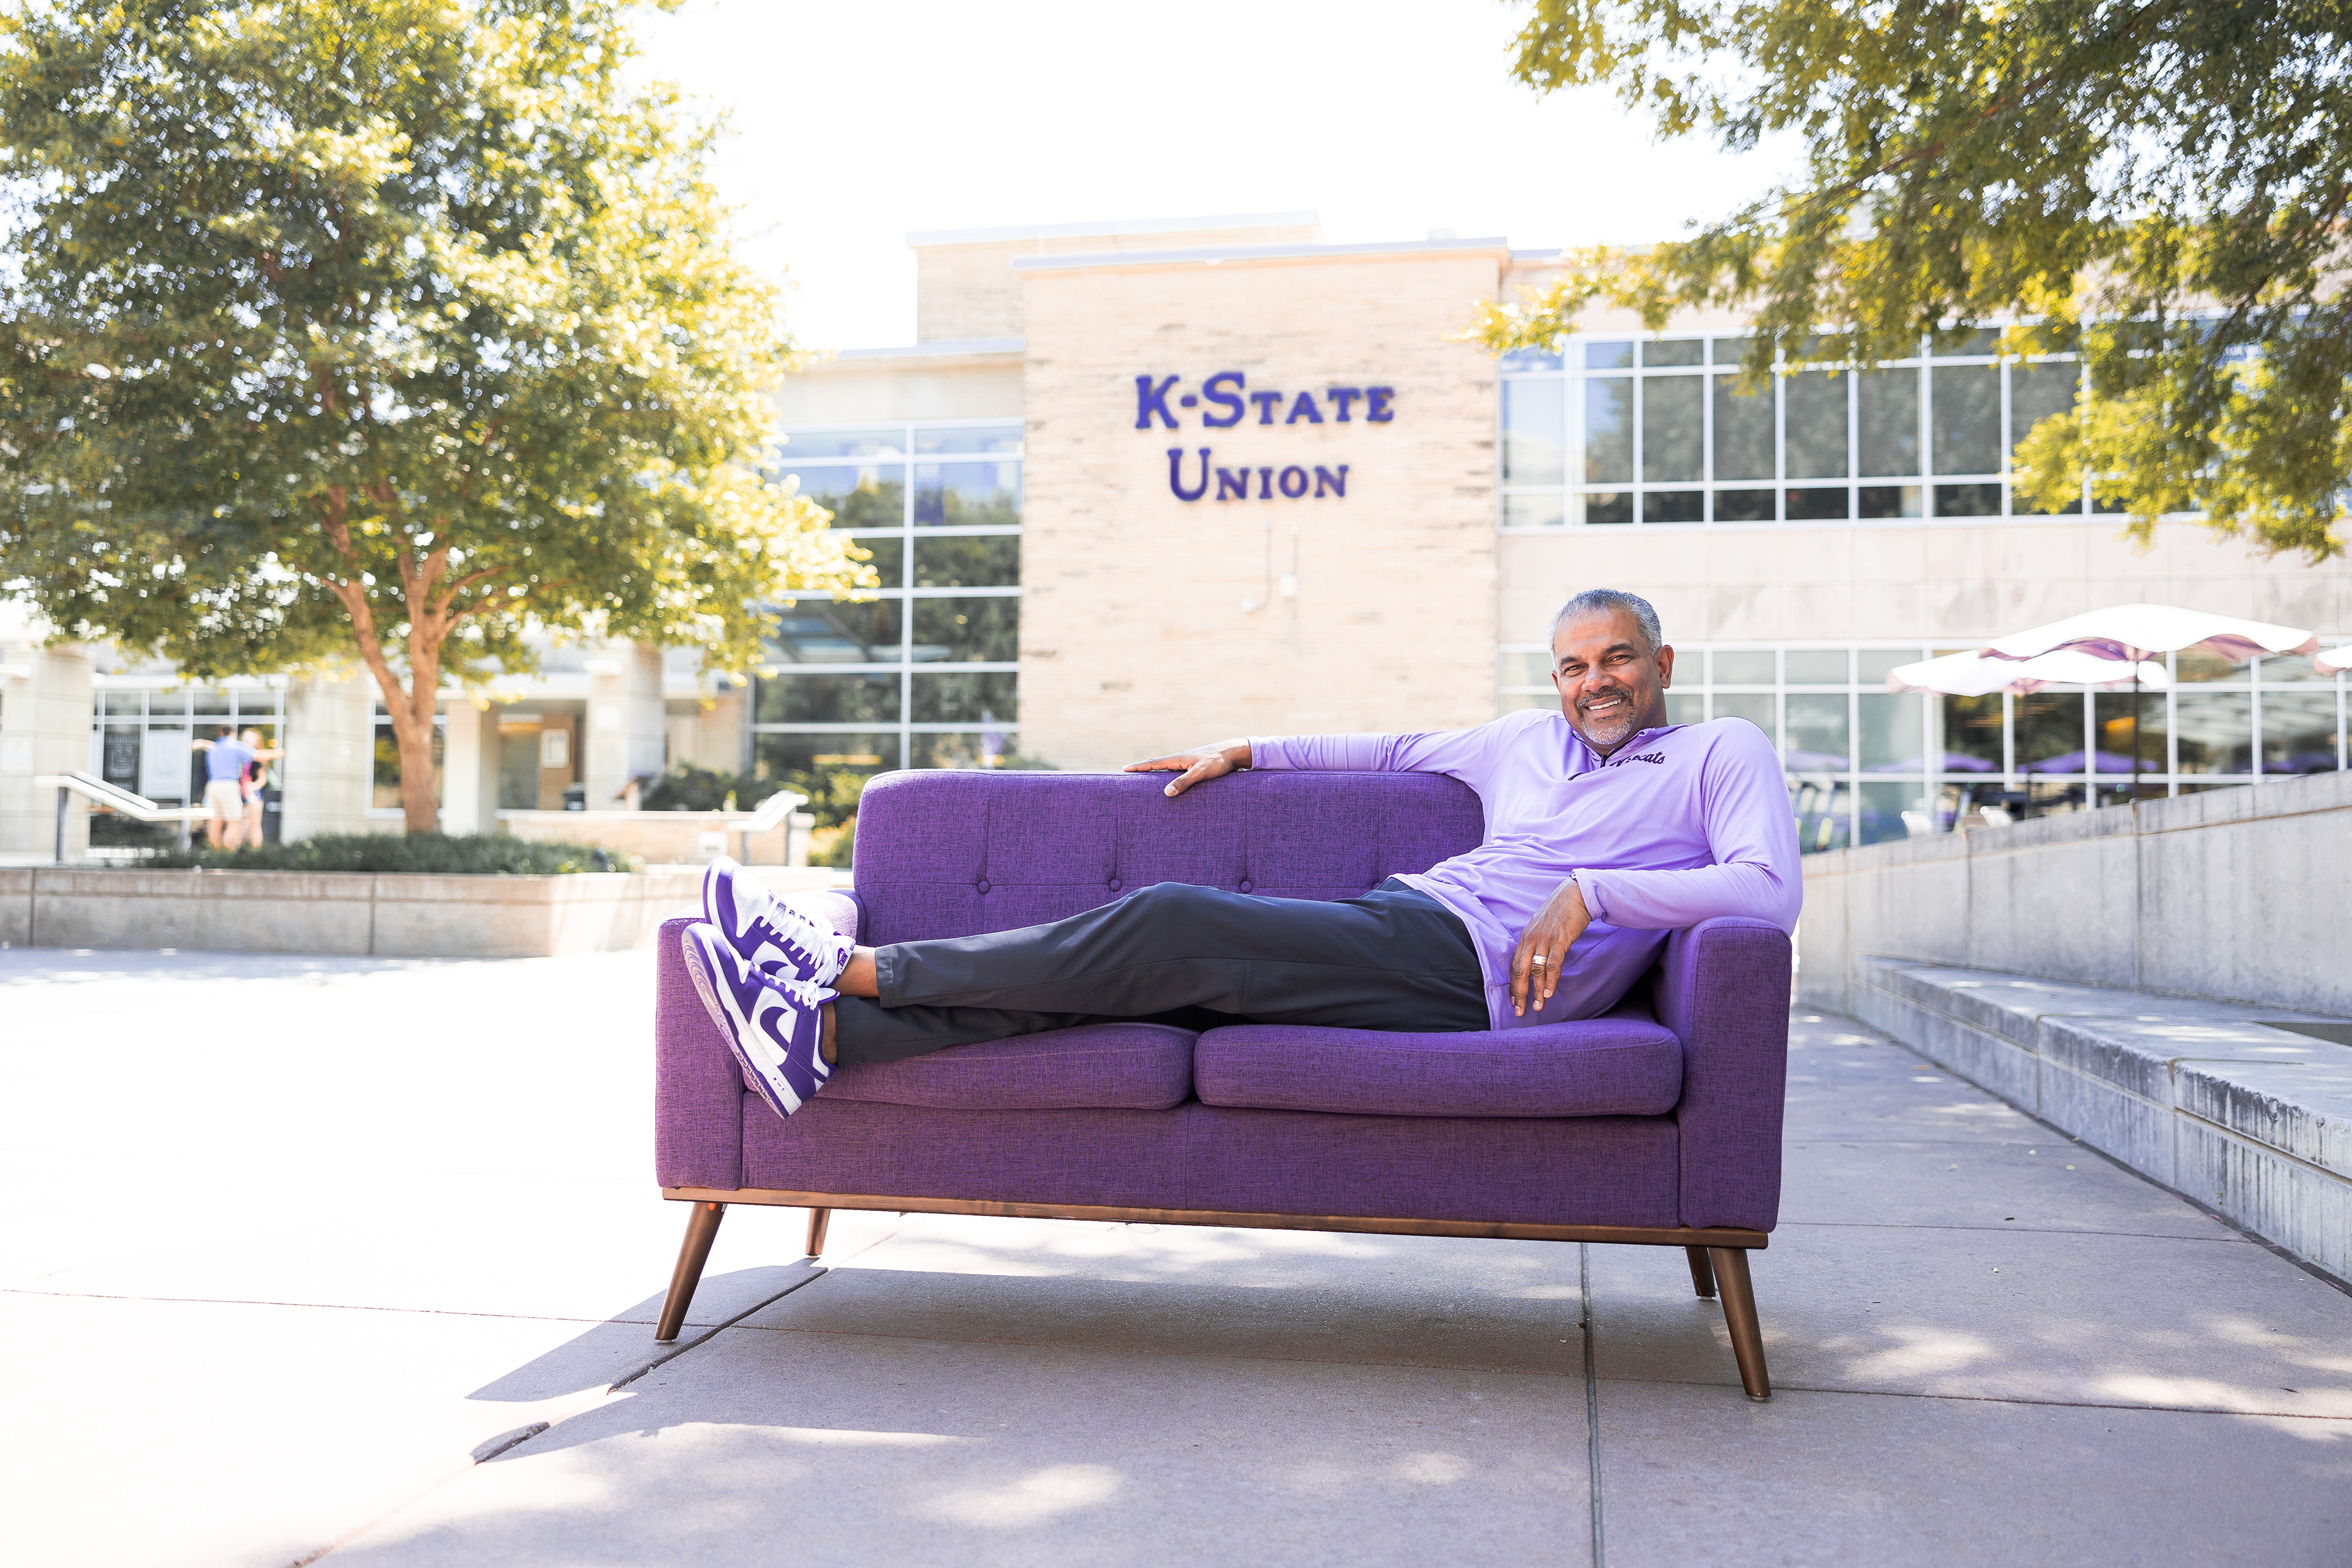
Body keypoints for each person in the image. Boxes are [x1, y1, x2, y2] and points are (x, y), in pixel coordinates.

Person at [678, 589, 1804, 1121]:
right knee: (1145, 995)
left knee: (1172, 923)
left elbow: (1769, 891)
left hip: (1476, 977)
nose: (1594, 683)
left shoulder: (1717, 750)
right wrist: (1245, 749)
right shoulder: (1522, 740)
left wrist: (1590, 891)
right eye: (1572, 667)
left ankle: (849, 969)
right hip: (1411, 924)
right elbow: (1388, 744)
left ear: (1658, 660)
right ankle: (820, 1037)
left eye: (1615, 660)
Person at [190, 725, 283, 850]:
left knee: (216, 820)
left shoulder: (216, 747)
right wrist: (278, 753)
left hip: (213, 785)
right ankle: (229, 853)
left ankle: (216, 852)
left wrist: (200, 742)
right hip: (229, 786)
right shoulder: (235, 747)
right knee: (234, 821)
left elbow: (209, 746)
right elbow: (259, 755)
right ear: (233, 733)